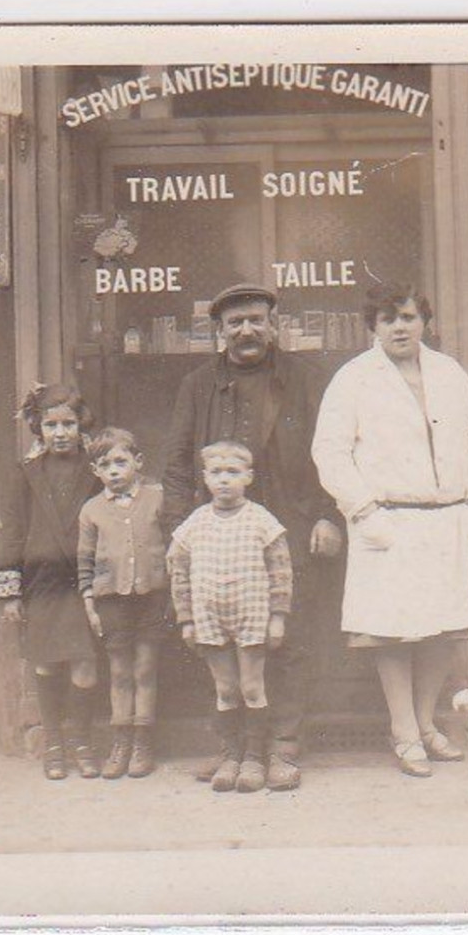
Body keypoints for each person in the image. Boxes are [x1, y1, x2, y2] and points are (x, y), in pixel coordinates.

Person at [161, 282, 343, 791]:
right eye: (235, 323)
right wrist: (179, 531)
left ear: (273, 325)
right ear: (219, 332)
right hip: (217, 537)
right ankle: (233, 749)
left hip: (287, 527)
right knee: (220, 645)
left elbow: (334, 454)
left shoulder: (305, 380)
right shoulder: (197, 385)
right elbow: (176, 464)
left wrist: (329, 515)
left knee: (285, 640)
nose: (247, 331)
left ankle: (282, 748)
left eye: (256, 320)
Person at [312, 283, 468, 778]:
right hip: (386, 519)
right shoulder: (354, 379)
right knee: (392, 632)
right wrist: (365, 512)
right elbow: (330, 451)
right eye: (388, 318)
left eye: (409, 317)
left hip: (448, 518)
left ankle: (427, 723)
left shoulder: (449, 373)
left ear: (424, 322)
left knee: (441, 629)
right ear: (372, 325)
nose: (399, 327)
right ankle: (403, 730)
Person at [166, 441, 295, 793]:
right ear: (205, 477)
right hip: (210, 616)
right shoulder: (195, 523)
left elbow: (281, 569)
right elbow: (177, 571)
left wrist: (278, 616)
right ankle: (231, 755)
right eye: (217, 473)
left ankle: (255, 758)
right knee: (225, 688)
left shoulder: (261, 520)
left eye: (233, 472)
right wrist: (187, 619)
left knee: (252, 687)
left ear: (248, 477)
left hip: (252, 613)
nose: (224, 480)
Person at [0, 383, 102, 781]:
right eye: (51, 424)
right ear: (38, 427)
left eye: (68, 424)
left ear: (81, 424)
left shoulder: (95, 468)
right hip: (42, 583)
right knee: (45, 664)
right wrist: (10, 593)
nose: (60, 433)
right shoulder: (25, 473)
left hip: (83, 582)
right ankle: (54, 743)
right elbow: (12, 532)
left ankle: (82, 741)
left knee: (85, 665)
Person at [77, 427, 169, 779]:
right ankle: (121, 742)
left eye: (120, 461)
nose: (114, 470)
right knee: (119, 671)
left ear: (138, 463)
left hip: (152, 597)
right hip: (111, 600)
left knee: (145, 668)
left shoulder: (157, 497)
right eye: (105, 464)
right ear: (95, 471)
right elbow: (84, 559)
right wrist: (89, 602)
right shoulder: (92, 510)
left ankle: (143, 743)